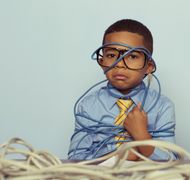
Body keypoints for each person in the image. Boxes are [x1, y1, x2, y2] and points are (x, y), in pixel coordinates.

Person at [68, 19, 176, 161]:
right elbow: (76, 159)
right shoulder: (88, 106)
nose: (119, 64)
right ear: (102, 62)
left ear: (149, 66)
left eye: (132, 56)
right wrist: (117, 157)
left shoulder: (162, 106)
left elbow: (170, 160)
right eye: (111, 55)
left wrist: (141, 134)